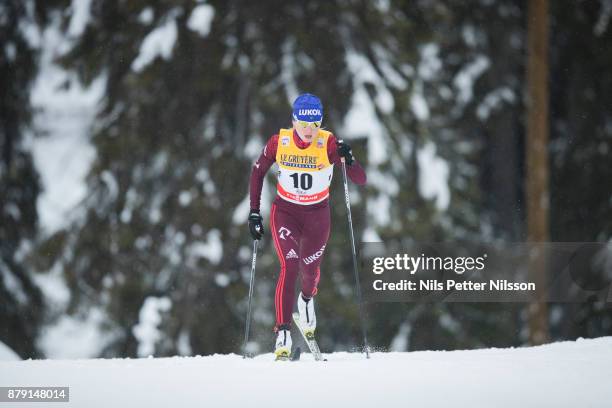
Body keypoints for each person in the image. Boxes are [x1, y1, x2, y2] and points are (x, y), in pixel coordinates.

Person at [248, 93, 367, 360]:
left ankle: (306, 300)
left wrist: (349, 158)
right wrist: (254, 212)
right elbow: (258, 171)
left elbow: (360, 179)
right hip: (286, 213)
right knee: (289, 266)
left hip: (317, 215)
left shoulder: (328, 144)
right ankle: (283, 332)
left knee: (310, 272)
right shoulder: (280, 142)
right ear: (294, 121)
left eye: (315, 124)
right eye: (303, 123)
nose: (309, 131)